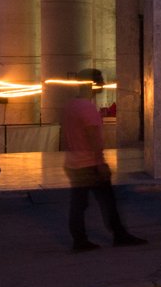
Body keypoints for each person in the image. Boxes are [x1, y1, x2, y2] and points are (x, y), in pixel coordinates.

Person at [61, 69, 144, 252]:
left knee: (79, 203)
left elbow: (64, 137)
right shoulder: (88, 108)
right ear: (92, 83)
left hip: (74, 162)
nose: (103, 84)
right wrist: (100, 162)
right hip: (89, 163)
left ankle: (80, 239)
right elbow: (93, 138)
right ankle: (118, 235)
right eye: (100, 80)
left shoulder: (70, 106)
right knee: (107, 201)